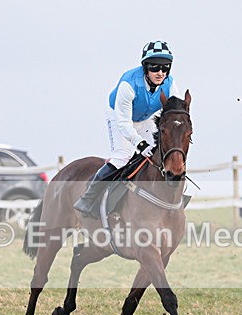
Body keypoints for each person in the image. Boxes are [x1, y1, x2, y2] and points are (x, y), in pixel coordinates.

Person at [74, 40, 182, 218]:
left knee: (158, 155)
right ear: (145, 67)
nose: (160, 73)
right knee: (122, 157)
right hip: (120, 117)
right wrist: (140, 144)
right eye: (155, 67)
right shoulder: (129, 84)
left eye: (165, 68)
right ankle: (88, 198)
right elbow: (124, 123)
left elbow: (174, 112)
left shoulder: (170, 84)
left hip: (146, 117)